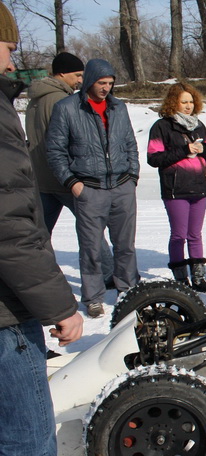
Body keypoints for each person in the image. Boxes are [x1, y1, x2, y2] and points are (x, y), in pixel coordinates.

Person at [0, 5, 99, 456]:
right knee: (24, 437)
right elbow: (11, 225)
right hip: (5, 310)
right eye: (7, 45)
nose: (13, 55)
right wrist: (58, 305)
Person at [46, 57, 140, 318]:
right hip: (89, 188)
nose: (106, 88)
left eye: (110, 83)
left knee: (125, 245)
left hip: (122, 186)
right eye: (101, 82)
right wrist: (72, 183)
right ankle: (93, 296)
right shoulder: (66, 108)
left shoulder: (119, 108)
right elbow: (55, 151)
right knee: (91, 248)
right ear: (89, 81)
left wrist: (132, 176)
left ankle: (128, 289)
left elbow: (130, 144)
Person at [25, 51, 115, 287]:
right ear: (61, 73)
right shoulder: (59, 101)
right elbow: (69, 141)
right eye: (76, 75)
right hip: (65, 178)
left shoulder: (35, 98)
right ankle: (108, 274)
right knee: (91, 228)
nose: (79, 81)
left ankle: (41, 275)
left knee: (40, 233)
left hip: (41, 177)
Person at [147, 82, 206, 292]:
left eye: (191, 102)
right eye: (183, 102)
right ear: (173, 103)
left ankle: (198, 278)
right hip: (175, 189)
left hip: (199, 187)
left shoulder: (199, 125)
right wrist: (184, 150)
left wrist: (202, 148)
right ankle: (180, 279)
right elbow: (154, 157)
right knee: (179, 234)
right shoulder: (162, 126)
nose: (188, 106)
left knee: (195, 234)